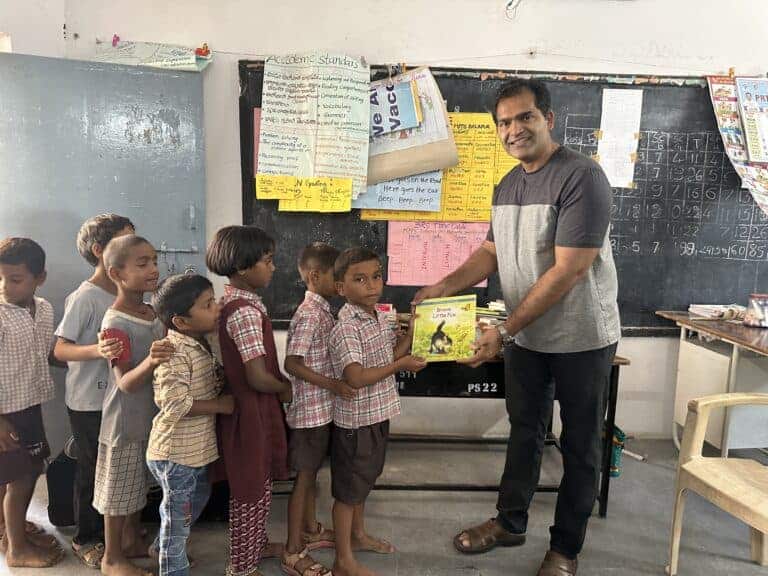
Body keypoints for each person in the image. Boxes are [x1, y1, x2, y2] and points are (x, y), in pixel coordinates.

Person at [414, 78, 620, 576]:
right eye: (504, 122)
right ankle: (510, 522)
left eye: (524, 117)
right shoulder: (507, 184)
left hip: (580, 338)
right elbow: (490, 252)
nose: (514, 130)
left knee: (580, 445)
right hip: (527, 335)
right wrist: (443, 285)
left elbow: (568, 269)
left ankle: (565, 549)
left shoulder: (582, 177)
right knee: (525, 431)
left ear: (548, 118)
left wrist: (504, 331)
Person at [329, 247, 427, 576]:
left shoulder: (377, 316)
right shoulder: (346, 326)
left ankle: (357, 536)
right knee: (347, 491)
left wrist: (411, 335)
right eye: (360, 279)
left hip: (377, 414)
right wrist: (401, 364)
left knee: (363, 483)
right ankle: (343, 561)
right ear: (341, 288)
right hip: (356, 422)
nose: (371, 285)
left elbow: (387, 357)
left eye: (376, 276)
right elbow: (355, 377)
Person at [206, 225, 291, 576]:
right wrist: (284, 389)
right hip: (250, 408)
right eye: (267, 261)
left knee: (260, 480)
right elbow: (256, 376)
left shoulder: (237, 303)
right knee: (249, 488)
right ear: (242, 267)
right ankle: (242, 566)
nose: (273, 267)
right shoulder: (243, 312)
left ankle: (255, 545)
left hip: (253, 406)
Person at [53, 213, 135, 568]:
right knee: (92, 470)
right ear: (100, 251)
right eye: (125, 242)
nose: (134, 249)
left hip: (121, 398)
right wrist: (96, 351)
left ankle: (121, 534)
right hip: (88, 402)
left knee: (119, 470)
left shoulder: (127, 294)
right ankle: (87, 537)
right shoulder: (85, 297)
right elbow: (58, 350)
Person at [147, 274, 235, 576]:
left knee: (197, 498)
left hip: (193, 453)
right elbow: (174, 403)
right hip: (175, 455)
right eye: (208, 305)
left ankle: (160, 547)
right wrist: (220, 406)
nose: (217, 308)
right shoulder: (174, 352)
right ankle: (172, 568)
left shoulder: (200, 342)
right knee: (178, 521)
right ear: (181, 321)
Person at [95, 234, 170, 576]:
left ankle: (132, 543)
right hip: (125, 421)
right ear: (116, 273)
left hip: (150, 417)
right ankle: (112, 558)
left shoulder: (151, 310)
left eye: (154, 260)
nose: (153, 269)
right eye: (143, 264)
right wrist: (152, 361)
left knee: (137, 486)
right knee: (119, 493)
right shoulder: (115, 323)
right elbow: (124, 382)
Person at [282, 242, 356, 576]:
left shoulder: (324, 310)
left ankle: (310, 530)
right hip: (309, 414)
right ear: (314, 276)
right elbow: (292, 364)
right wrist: (333, 385)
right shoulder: (309, 314)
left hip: (321, 411)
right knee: (305, 478)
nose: (341, 282)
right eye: (335, 276)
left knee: (312, 479)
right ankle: (293, 549)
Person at [0, 238, 64, 568]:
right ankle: (16, 549)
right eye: (0, 278)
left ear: (40, 278)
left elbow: (44, 353)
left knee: (25, 472)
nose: (4, 286)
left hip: (30, 404)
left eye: (14, 279)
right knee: (19, 479)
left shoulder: (46, 309)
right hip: (5, 412)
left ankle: (9, 530)